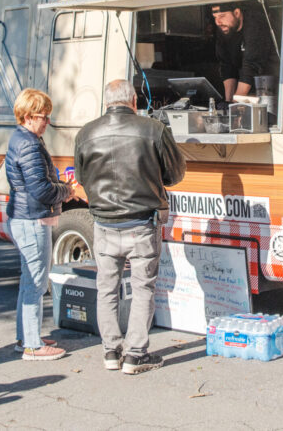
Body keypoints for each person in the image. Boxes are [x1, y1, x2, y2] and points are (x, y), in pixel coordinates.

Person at [74, 79, 186, 375]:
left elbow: (83, 179)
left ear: (106, 102)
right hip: (141, 223)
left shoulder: (87, 133)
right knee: (142, 288)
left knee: (107, 289)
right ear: (133, 101)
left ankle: (111, 351)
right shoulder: (153, 129)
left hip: (104, 224)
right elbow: (175, 175)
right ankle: (136, 354)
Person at [5, 88, 72, 362]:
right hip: (33, 218)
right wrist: (67, 191)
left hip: (23, 216)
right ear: (29, 116)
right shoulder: (30, 144)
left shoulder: (21, 139)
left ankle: (26, 338)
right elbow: (41, 189)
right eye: (44, 117)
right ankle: (33, 345)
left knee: (27, 281)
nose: (47, 122)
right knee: (35, 282)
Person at [211, 1, 280, 102]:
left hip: (269, 88)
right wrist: (228, 102)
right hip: (248, 87)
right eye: (215, 17)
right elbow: (226, 65)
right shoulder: (225, 28)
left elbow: (251, 65)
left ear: (237, 13)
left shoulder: (256, 23)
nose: (218, 22)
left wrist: (236, 104)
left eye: (222, 16)